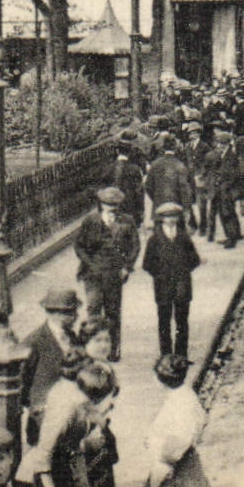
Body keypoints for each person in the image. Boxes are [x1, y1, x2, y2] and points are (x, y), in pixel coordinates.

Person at [19, 359, 116, 487]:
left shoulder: (77, 396)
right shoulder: (68, 408)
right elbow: (44, 453)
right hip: (46, 473)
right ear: (96, 396)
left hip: (66, 465)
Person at [137, 355, 212, 487]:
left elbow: (178, 440)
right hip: (181, 462)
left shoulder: (180, 403)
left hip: (176, 469)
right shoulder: (185, 394)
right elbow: (201, 420)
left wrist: (163, 465)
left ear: (160, 379)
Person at [73, 186, 140, 363]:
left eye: (115, 205)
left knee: (113, 312)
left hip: (114, 273)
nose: (112, 208)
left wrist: (127, 267)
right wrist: (89, 262)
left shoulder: (127, 221)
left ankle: (113, 349)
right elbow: (79, 245)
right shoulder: (91, 220)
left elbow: (135, 246)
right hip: (93, 274)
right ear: (101, 204)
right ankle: (91, 348)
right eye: (108, 204)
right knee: (93, 309)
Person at [21, 288, 81, 445]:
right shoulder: (34, 341)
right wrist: (37, 406)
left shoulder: (72, 337)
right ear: (58, 314)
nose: (77, 316)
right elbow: (21, 381)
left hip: (71, 416)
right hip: (44, 420)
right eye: (72, 312)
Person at [144, 202, 201, 361]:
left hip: (182, 285)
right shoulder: (154, 239)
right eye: (167, 217)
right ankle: (166, 355)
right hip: (163, 286)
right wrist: (160, 274)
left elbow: (194, 259)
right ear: (161, 219)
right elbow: (147, 264)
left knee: (182, 321)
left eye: (174, 216)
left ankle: (181, 355)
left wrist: (183, 271)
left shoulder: (184, 237)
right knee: (164, 322)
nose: (171, 220)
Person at [206, 127, 244, 249]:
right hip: (222, 189)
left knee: (226, 214)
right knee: (227, 213)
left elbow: (232, 174)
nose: (218, 146)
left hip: (227, 190)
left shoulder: (230, 156)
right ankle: (233, 235)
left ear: (225, 144)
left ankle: (231, 239)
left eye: (220, 143)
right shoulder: (223, 154)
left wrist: (220, 183)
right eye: (218, 143)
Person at [145, 132, 196, 221]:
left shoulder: (155, 164)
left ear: (163, 148)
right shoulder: (180, 165)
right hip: (176, 207)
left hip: (159, 206)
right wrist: (186, 208)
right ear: (175, 148)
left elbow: (148, 186)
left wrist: (156, 198)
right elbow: (184, 188)